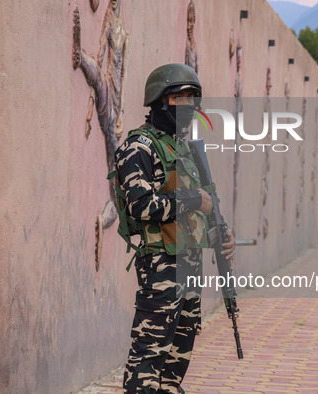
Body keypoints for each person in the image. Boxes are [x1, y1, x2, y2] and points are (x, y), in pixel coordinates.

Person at [114, 63, 236, 393]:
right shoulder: (139, 148)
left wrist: (223, 236)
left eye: (193, 99)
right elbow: (142, 206)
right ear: (159, 101)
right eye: (180, 98)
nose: (188, 107)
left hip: (190, 262)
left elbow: (207, 208)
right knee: (150, 353)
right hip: (161, 265)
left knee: (178, 352)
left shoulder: (184, 147)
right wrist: (195, 200)